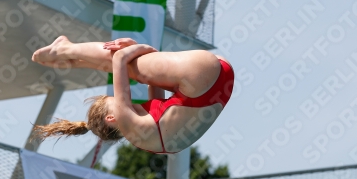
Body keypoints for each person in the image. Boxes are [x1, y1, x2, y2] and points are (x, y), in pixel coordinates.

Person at [31, 36, 234, 154]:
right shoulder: (127, 123)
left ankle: (74, 60)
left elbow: (156, 90)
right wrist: (141, 47)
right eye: (115, 101)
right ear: (111, 118)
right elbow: (119, 58)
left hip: (219, 83)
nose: (123, 101)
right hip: (200, 75)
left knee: (135, 70)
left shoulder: (145, 136)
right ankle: (66, 48)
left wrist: (147, 58)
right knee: (129, 67)